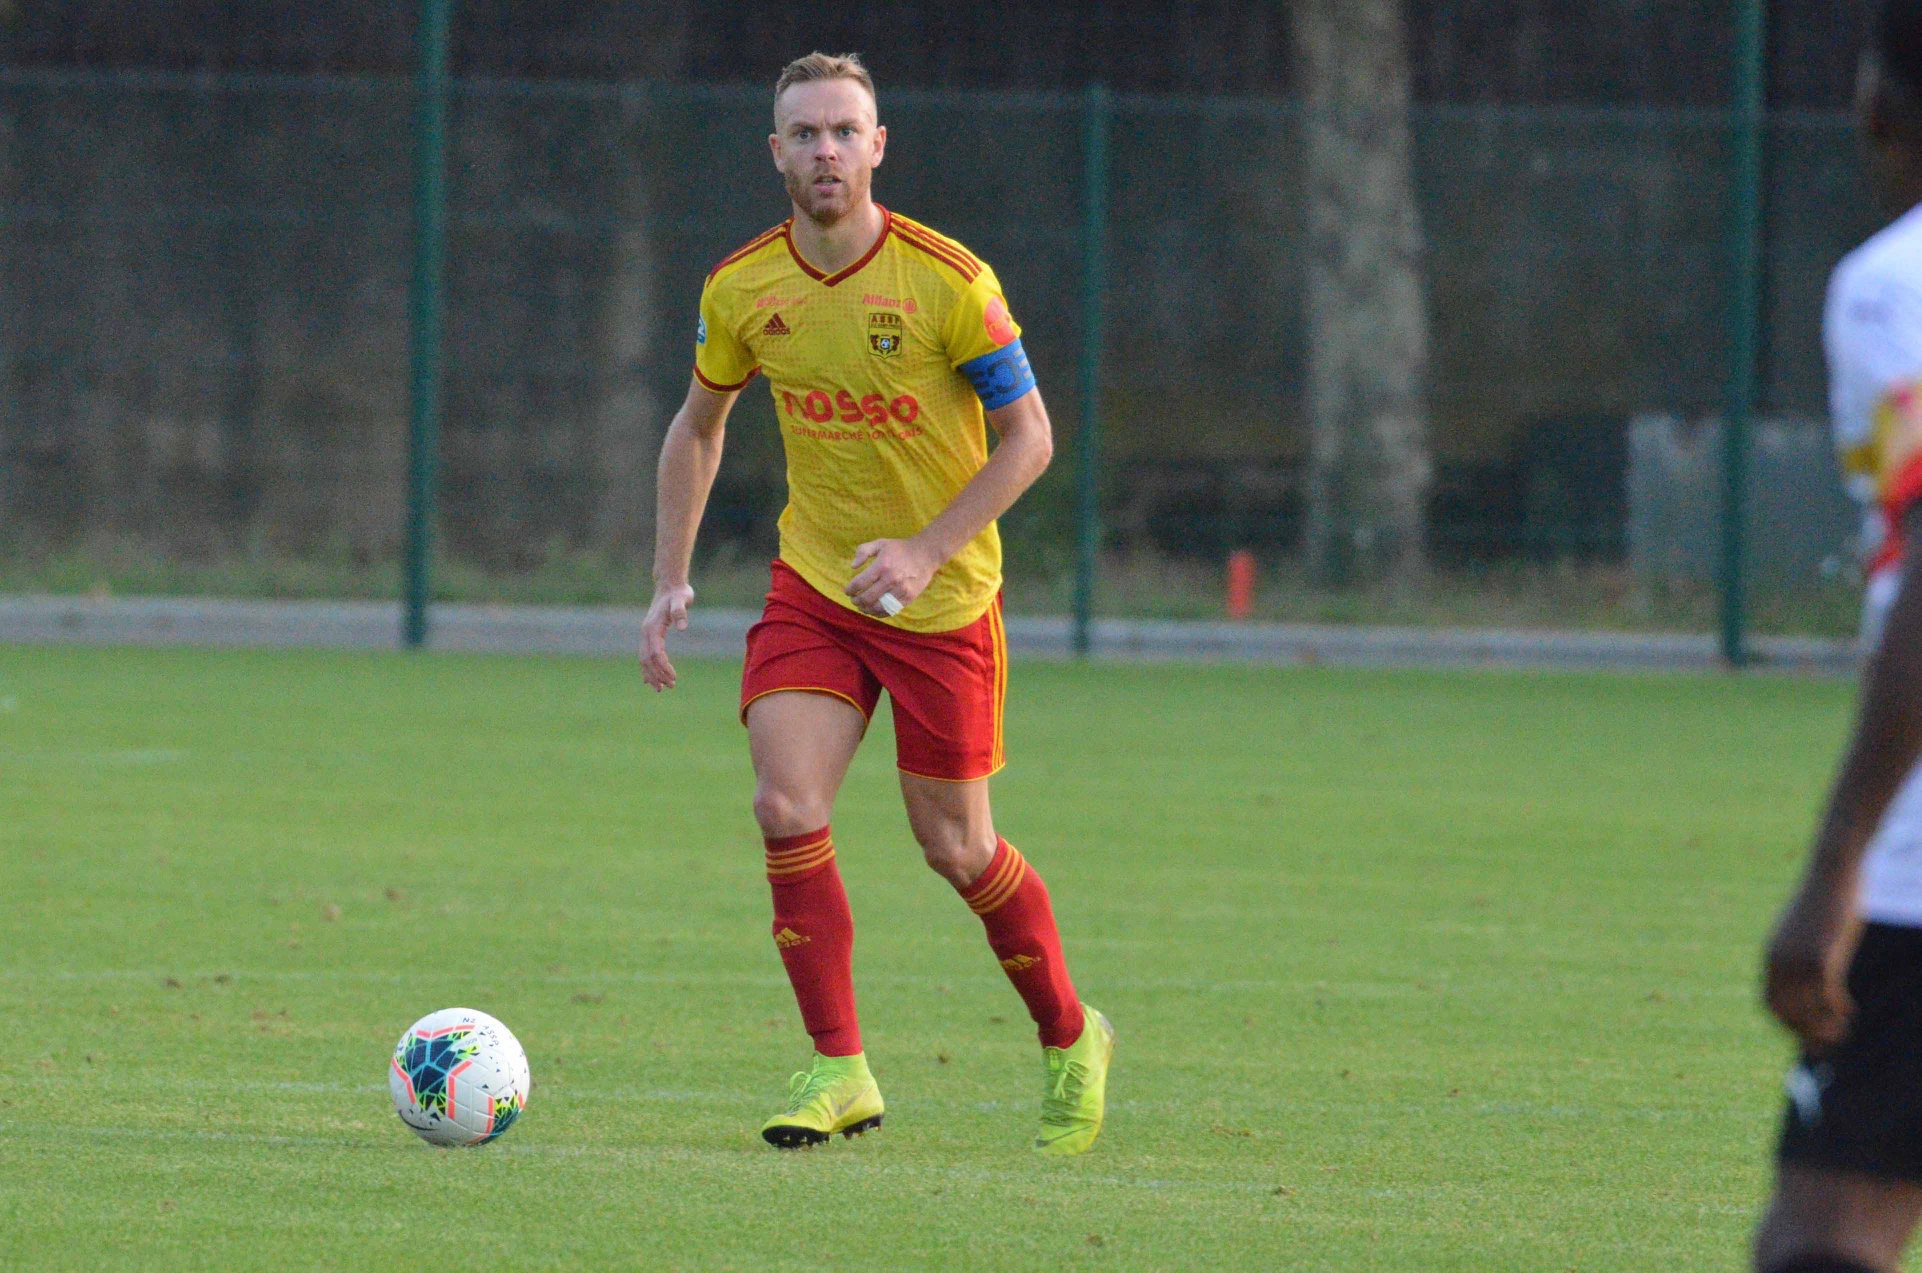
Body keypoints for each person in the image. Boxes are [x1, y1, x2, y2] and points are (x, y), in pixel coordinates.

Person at [638, 51, 1114, 1156]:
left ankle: (1068, 1032)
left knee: (954, 848)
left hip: (943, 604)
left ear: (878, 145)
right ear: (774, 153)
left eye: (843, 131)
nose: (824, 152)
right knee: (784, 802)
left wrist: (924, 548)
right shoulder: (742, 287)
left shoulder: (949, 282)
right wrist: (668, 578)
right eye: (802, 134)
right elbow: (697, 426)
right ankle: (838, 1066)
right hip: (816, 583)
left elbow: (1029, 439)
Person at [1757, 4, 1922, 1269]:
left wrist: (1835, 863)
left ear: (1880, 105)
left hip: (1918, 882)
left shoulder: (1891, 289)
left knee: (1824, 1239)